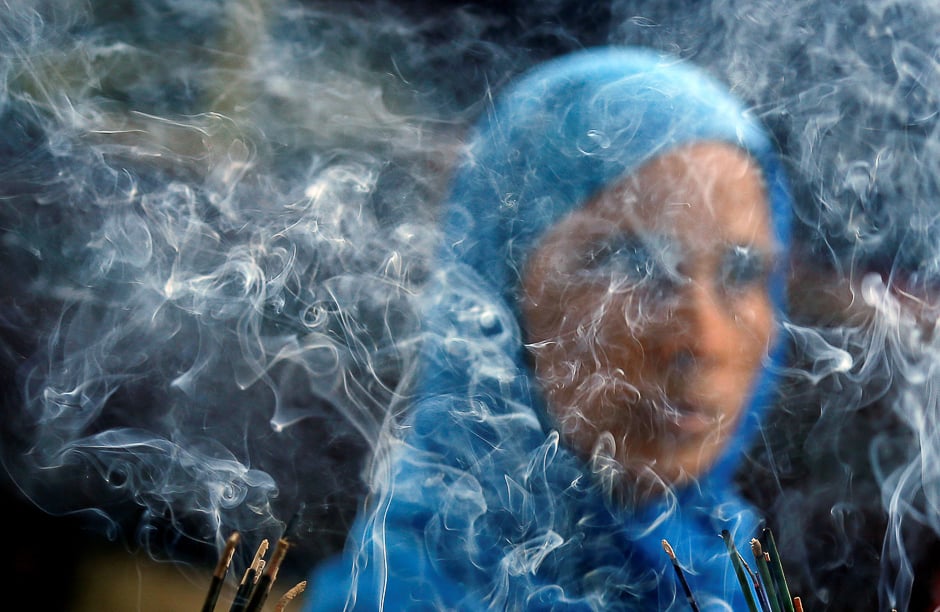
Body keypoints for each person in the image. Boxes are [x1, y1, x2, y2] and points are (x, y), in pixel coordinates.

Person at [303, 46, 792, 611]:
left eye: (741, 271)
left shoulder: (734, 583)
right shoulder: (398, 595)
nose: (700, 341)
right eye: (632, 263)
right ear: (500, 286)